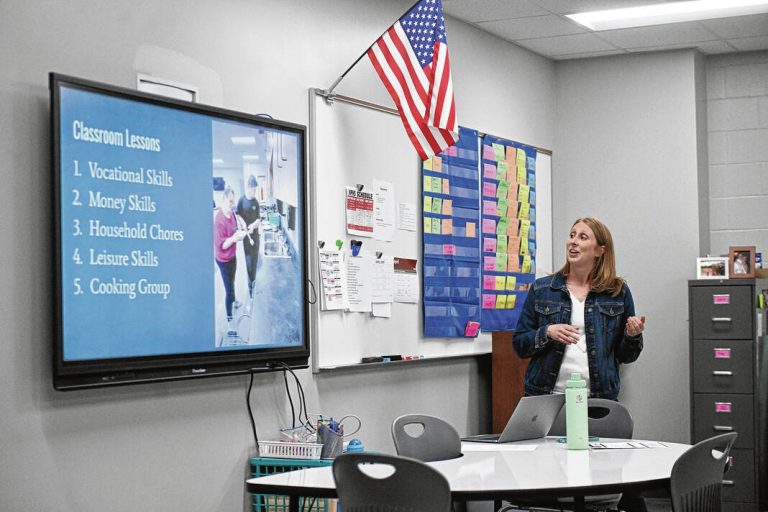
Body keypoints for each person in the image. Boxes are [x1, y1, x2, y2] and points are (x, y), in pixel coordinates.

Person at [513, 217, 646, 400]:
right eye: (572, 235)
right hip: (545, 395)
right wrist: (547, 332)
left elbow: (627, 356)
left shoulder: (617, 292)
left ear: (600, 250)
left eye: (583, 237)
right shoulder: (542, 289)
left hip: (598, 397)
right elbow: (520, 345)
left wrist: (632, 336)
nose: (573, 241)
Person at [214, 186, 246, 335]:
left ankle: (235, 299)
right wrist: (234, 238)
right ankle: (229, 320)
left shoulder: (232, 213)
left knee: (232, 282)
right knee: (229, 291)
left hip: (232, 257)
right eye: (230, 202)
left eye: (233, 202)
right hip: (223, 260)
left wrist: (240, 228)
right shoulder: (218, 221)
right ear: (223, 200)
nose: (232, 205)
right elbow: (223, 245)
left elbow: (234, 227)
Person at [236, 175, 262, 301]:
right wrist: (242, 222)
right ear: (248, 187)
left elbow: (258, 219)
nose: (255, 192)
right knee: (249, 264)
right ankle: (250, 287)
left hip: (255, 238)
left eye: (256, 190)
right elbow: (237, 215)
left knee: (255, 263)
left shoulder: (255, 202)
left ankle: (253, 285)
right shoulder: (241, 201)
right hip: (246, 239)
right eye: (253, 189)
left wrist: (253, 225)